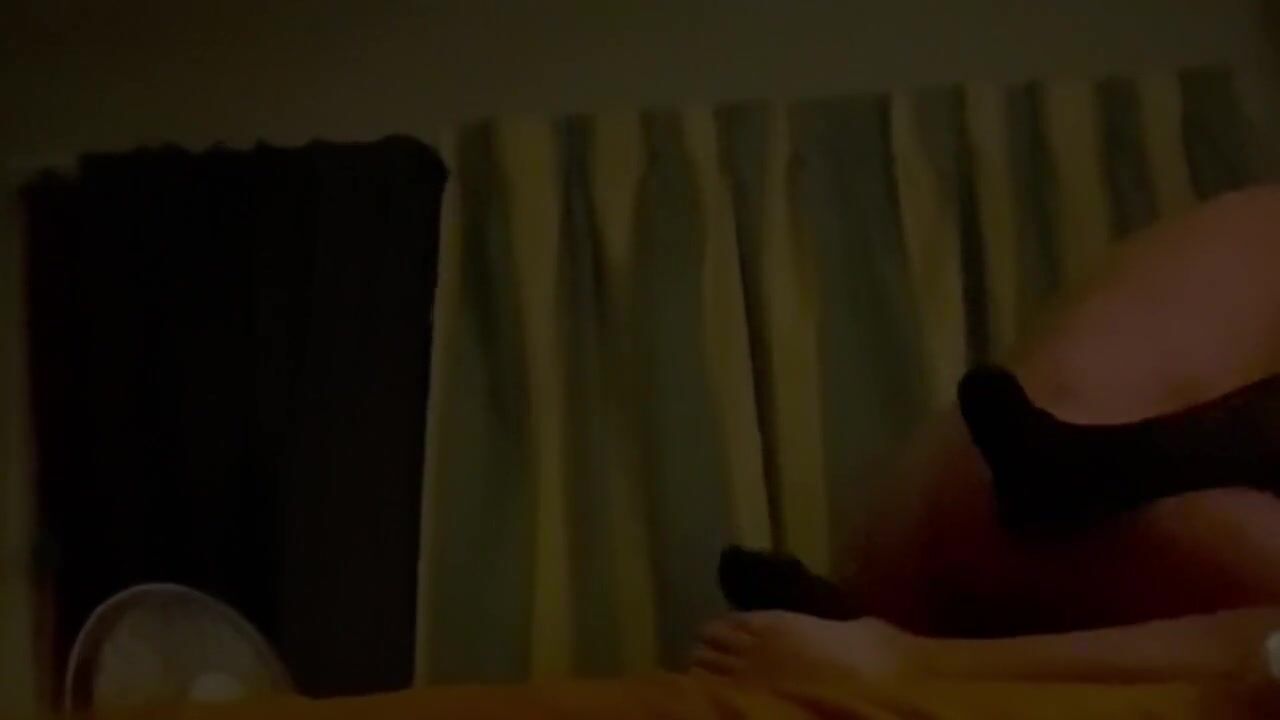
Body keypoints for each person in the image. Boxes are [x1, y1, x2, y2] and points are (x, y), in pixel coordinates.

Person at [702, 185, 1280, 687]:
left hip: (931, 534)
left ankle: (889, 633)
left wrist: (903, 658)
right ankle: (1106, 465)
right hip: (1042, 498)